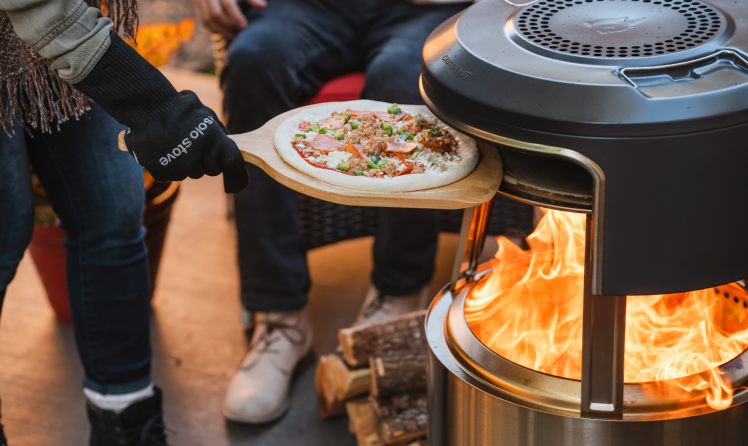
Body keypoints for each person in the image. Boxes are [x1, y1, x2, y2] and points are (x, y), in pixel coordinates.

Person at [193, 0, 472, 424]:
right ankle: (280, 318)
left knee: (402, 79)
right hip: (307, 8)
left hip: (425, 10)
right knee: (253, 62)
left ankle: (400, 291)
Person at [0, 0, 249, 444]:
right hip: (49, 13)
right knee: (4, 231)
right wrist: (157, 107)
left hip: (57, 25)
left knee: (111, 208)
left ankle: (126, 426)